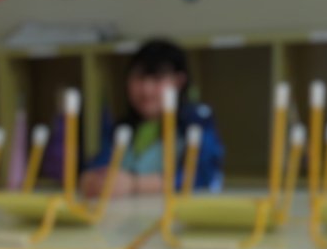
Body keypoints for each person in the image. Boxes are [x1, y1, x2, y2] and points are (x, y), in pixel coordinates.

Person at [77, 38, 223, 199]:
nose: (146, 89)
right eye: (139, 77)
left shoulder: (196, 123)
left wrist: (135, 184)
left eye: (157, 79)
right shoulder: (121, 128)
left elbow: (202, 176)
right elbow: (99, 165)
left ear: (179, 82)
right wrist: (90, 178)